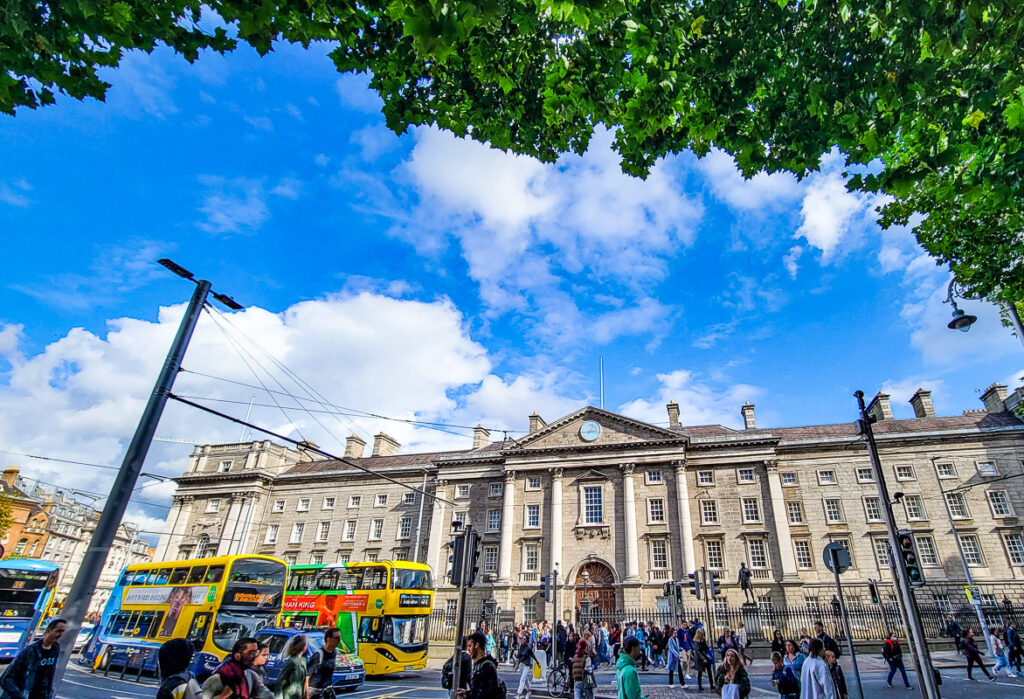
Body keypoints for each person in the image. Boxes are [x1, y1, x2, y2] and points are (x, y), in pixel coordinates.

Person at [0, 617, 65, 699]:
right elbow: (6, 679)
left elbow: (49, 676)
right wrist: (20, 695)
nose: (61, 635)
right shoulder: (30, 651)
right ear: (49, 631)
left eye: (63, 632)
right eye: (58, 631)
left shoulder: (55, 649)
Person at [457, 632, 502, 699]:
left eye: (470, 646)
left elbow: (484, 695)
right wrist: (467, 693)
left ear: (476, 645)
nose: (468, 650)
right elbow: (478, 690)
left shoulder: (487, 667)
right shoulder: (480, 665)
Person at [308, 627, 342, 697]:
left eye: (340, 637)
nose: (339, 640)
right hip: (315, 691)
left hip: (328, 690)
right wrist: (306, 695)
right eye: (336, 638)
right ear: (328, 639)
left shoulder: (334, 652)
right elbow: (307, 676)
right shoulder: (318, 654)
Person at [275, 635, 308, 699]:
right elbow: (281, 681)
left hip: (298, 694)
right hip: (289, 695)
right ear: (302, 646)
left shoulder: (303, 661)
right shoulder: (291, 662)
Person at [516, 630, 537, 699]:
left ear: (527, 640)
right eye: (522, 638)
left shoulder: (528, 648)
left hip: (527, 665)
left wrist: (537, 662)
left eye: (524, 639)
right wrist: (516, 666)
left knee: (522, 679)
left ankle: (518, 694)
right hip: (521, 665)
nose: (522, 640)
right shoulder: (521, 646)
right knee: (525, 679)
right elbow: (519, 656)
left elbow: (533, 655)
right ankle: (528, 691)